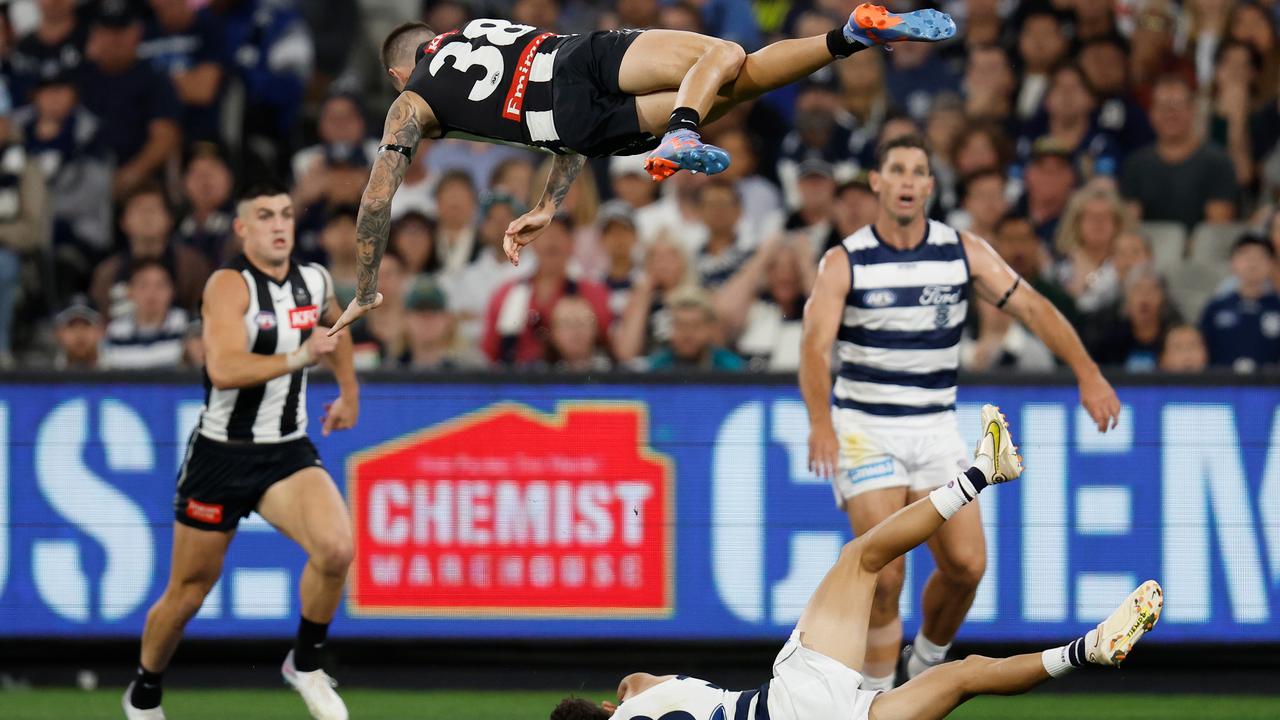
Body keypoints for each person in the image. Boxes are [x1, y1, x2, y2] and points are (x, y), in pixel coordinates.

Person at [329, 4, 959, 332]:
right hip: (577, 56)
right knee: (727, 65)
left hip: (568, 125)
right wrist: (548, 201)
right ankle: (847, 35)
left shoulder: (410, 101)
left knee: (728, 74)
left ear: (394, 73)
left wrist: (364, 292)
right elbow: (534, 82)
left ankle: (689, 128)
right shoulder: (475, 27)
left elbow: (377, 201)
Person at [550, 408, 1164, 720]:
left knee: (962, 677)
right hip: (791, 700)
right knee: (862, 559)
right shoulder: (634, 697)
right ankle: (983, 472)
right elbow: (634, 683)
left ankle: (1090, 651)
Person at [800, 135, 1120, 692]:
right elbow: (814, 347)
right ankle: (878, 699)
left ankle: (922, 663)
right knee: (885, 572)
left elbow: (1031, 305)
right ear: (877, 182)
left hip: (934, 425)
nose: (906, 180)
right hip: (864, 429)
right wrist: (821, 421)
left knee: (968, 567)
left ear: (929, 186)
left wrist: (1087, 371)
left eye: (917, 171)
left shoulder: (961, 250)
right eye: (895, 169)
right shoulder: (844, 260)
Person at [123, 182, 359, 720]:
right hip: (221, 455)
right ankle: (144, 693)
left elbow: (336, 329)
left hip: (285, 452)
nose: (279, 225)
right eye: (264, 215)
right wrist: (304, 356)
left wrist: (348, 392)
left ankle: (306, 663)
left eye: (285, 215)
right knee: (189, 591)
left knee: (337, 549)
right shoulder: (228, 285)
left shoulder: (314, 278)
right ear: (242, 228)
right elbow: (224, 369)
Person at [1198, 234, 1280, 372]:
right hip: (1222, 387)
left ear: (1271, 264)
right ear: (1233, 263)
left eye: (1260, 257)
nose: (1253, 263)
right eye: (1246, 257)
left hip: (1269, 389)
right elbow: (1202, 350)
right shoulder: (1216, 307)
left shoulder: (1277, 307)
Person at [100, 260, 189, 370]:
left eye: (160, 286)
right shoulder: (114, 332)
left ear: (173, 291)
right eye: (143, 285)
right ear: (129, 291)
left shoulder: (187, 327)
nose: (151, 293)